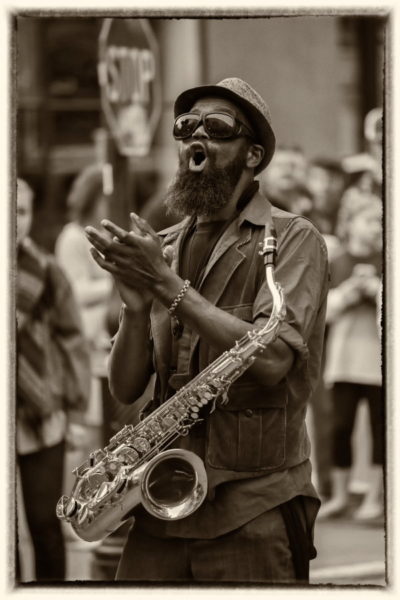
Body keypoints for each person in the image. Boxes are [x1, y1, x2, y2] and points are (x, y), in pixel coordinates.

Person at [85, 78, 329, 583]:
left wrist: (166, 285)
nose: (197, 137)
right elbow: (125, 388)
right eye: (186, 126)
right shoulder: (165, 246)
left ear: (252, 154)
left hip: (253, 505)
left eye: (217, 128)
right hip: (159, 506)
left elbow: (274, 360)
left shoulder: (293, 237)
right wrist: (134, 309)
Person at [16, 178, 91, 581]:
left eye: (21, 212)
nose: (12, 221)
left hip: (42, 413)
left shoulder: (46, 270)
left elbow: (73, 343)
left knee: (44, 524)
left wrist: (76, 412)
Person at [319, 193, 383, 521]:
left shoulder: (389, 259)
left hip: (380, 365)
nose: (377, 228)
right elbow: (321, 312)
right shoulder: (336, 261)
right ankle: (341, 494)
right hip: (343, 362)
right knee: (339, 427)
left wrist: (376, 292)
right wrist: (347, 294)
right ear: (351, 223)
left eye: (380, 221)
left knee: (380, 429)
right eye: (370, 220)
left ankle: (375, 495)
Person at [55, 165, 113, 427]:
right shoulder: (72, 237)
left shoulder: (103, 234)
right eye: (104, 200)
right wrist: (114, 284)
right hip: (86, 339)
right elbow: (75, 292)